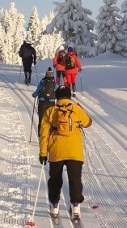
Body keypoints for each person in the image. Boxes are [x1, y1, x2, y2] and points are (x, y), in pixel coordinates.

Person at [39, 87, 93, 220]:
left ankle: (54, 206)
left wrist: (43, 153)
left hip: (57, 151)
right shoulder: (76, 109)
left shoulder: (51, 111)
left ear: (57, 97)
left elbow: (44, 134)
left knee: (55, 179)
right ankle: (76, 207)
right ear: (69, 96)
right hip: (75, 151)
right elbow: (88, 123)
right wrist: (81, 109)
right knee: (75, 179)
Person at [32, 68, 59, 133]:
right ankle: (50, 133)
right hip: (51, 103)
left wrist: (34, 95)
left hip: (42, 102)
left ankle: (40, 133)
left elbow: (37, 91)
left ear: (46, 74)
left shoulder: (42, 82)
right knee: (51, 118)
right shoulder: (54, 83)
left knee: (41, 118)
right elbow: (58, 91)